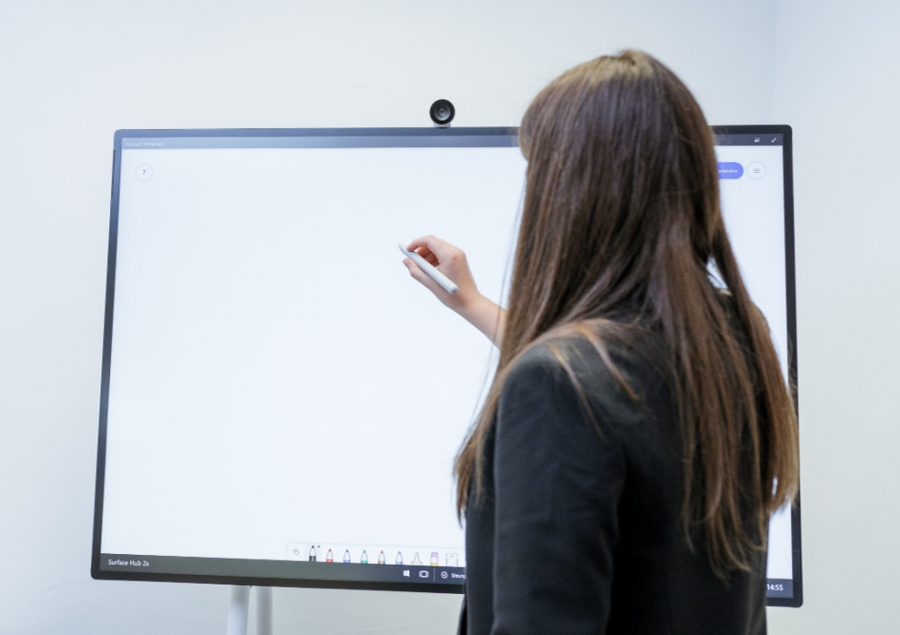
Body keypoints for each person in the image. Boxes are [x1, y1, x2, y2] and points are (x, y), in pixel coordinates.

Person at [400, 50, 799, 635]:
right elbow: (623, 384)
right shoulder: (734, 334)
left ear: (570, 194)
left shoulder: (556, 384)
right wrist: (476, 306)